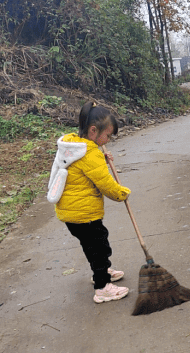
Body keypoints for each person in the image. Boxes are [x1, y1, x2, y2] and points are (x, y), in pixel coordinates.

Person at [47, 101, 131, 304]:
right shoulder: (90, 154)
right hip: (84, 214)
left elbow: (82, 166)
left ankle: (100, 271)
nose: (108, 140)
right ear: (93, 130)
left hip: (70, 213)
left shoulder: (73, 145)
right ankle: (102, 287)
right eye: (107, 136)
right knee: (100, 246)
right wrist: (123, 193)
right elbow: (107, 185)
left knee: (92, 246)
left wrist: (102, 156)